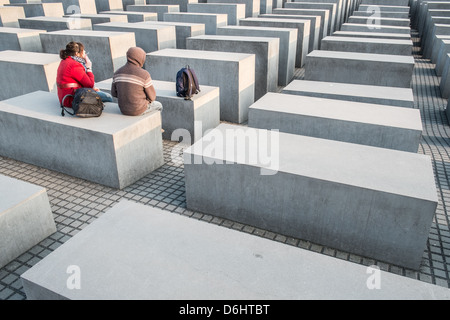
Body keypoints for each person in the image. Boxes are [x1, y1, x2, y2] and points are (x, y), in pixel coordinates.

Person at [56, 41, 113, 109]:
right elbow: (90, 84)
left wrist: (92, 90)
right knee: (109, 97)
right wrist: (89, 67)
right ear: (77, 54)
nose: (84, 54)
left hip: (64, 96)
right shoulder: (74, 65)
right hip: (72, 99)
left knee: (98, 92)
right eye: (83, 52)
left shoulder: (64, 61)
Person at [111, 46, 163, 116]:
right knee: (159, 105)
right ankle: (157, 125)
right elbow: (152, 97)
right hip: (138, 110)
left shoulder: (117, 72)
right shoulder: (144, 74)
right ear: (140, 58)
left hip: (123, 110)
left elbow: (114, 93)